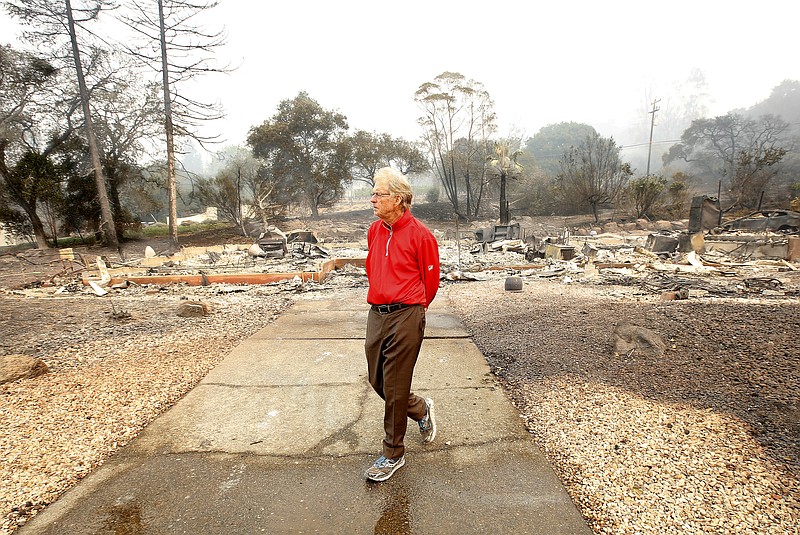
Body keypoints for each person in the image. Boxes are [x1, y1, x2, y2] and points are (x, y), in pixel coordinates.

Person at [363, 167, 441, 482]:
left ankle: (393, 453)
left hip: (407, 313)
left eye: (378, 194)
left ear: (397, 198)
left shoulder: (421, 234)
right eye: (373, 193)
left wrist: (416, 308)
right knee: (377, 380)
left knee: (394, 384)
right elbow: (373, 267)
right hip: (377, 312)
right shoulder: (374, 231)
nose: (372, 200)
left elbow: (431, 280)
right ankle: (420, 408)